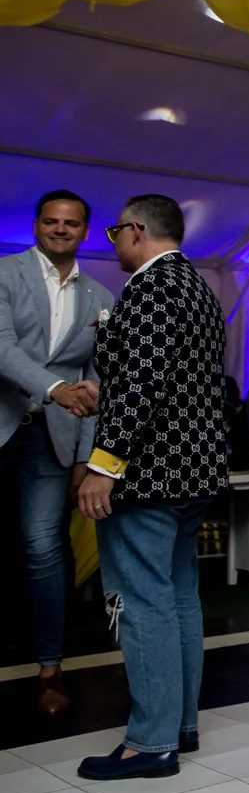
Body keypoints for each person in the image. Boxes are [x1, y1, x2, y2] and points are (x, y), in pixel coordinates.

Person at [74, 194, 227, 780]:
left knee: (142, 604)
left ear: (135, 230)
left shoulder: (150, 289)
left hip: (148, 474)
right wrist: (109, 393)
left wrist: (103, 465)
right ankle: (180, 725)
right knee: (179, 598)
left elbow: (142, 385)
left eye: (115, 231)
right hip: (193, 472)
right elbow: (171, 381)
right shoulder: (197, 287)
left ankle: (150, 743)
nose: (114, 242)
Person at [0, 189, 113, 716]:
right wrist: (54, 389)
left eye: (71, 223)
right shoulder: (5, 273)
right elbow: (2, 348)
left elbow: (96, 379)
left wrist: (86, 458)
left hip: (53, 440)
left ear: (85, 231)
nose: (60, 229)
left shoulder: (100, 297)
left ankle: (50, 669)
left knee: (42, 547)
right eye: (51, 221)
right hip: (4, 421)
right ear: (36, 226)